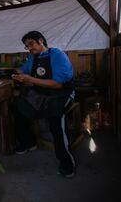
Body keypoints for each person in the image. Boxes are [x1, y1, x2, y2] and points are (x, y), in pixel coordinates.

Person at [12, 31, 76, 178]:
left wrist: (31, 80)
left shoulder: (57, 55)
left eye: (31, 44)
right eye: (26, 46)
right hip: (42, 93)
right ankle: (29, 142)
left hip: (62, 93)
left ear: (41, 41)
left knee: (56, 117)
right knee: (19, 106)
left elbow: (58, 84)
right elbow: (24, 70)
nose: (29, 48)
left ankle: (66, 161)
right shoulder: (33, 58)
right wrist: (10, 73)